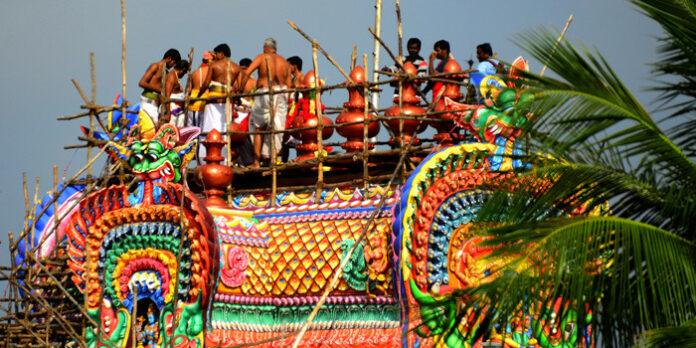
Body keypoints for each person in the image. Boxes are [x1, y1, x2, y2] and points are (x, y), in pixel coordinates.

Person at [240, 38, 291, 168]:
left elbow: (247, 73)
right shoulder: (284, 62)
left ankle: (257, 161)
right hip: (281, 95)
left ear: (266, 48)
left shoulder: (262, 57)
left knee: (259, 128)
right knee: (276, 128)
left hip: (264, 93)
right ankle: (272, 159)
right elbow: (289, 86)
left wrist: (239, 88)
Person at [197, 44, 242, 161]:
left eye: (216, 53)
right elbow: (239, 87)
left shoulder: (214, 66)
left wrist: (198, 96)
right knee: (224, 130)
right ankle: (225, 159)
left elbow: (206, 83)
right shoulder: (236, 68)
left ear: (222, 53)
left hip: (213, 102)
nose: (215, 56)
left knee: (209, 129)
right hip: (227, 103)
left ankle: (204, 159)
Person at [138, 49, 181, 126]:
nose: (172, 66)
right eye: (173, 63)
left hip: (156, 105)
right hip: (147, 102)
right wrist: (160, 90)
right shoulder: (155, 66)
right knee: (148, 128)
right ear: (169, 58)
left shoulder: (166, 73)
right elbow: (142, 83)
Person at [187, 51, 214, 128]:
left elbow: (188, 91)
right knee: (203, 130)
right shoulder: (211, 73)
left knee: (192, 131)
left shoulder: (194, 73)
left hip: (193, 103)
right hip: (204, 103)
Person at [161, 60, 189, 127]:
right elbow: (167, 95)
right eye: (184, 73)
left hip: (178, 109)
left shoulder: (175, 76)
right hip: (172, 109)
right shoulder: (171, 77)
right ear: (183, 70)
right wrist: (168, 113)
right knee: (171, 130)